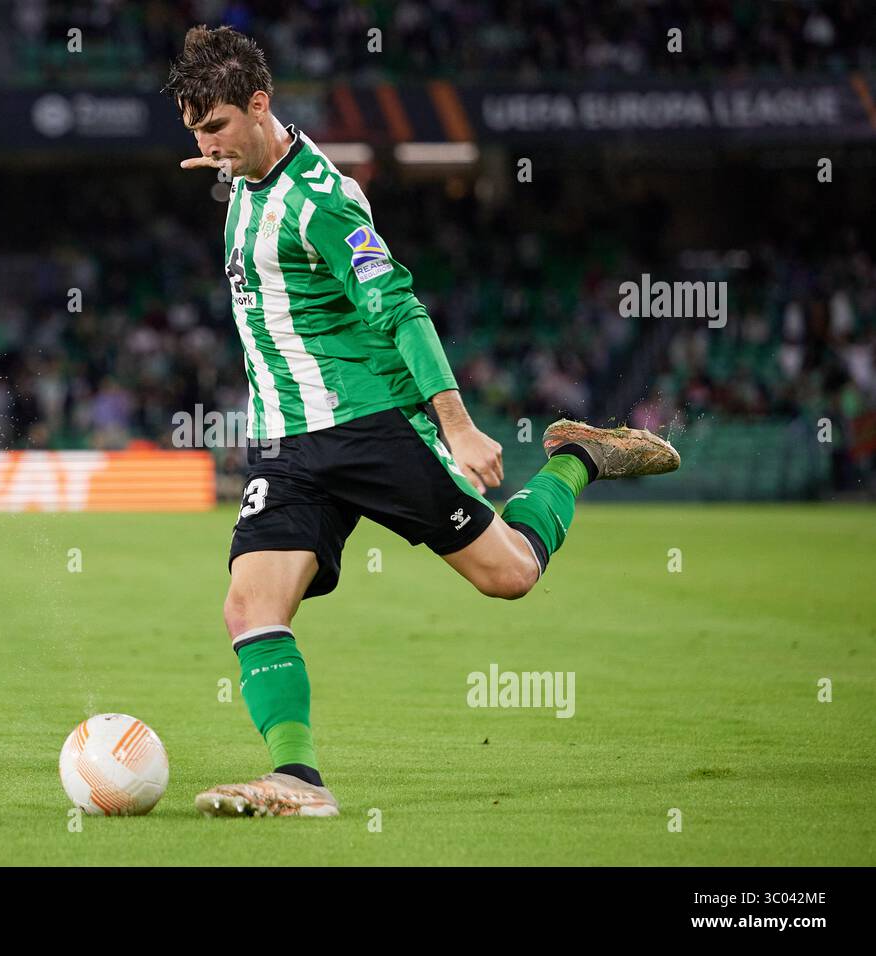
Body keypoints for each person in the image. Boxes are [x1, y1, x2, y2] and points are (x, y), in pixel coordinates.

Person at [164, 25, 680, 818]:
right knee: (249, 606)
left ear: (260, 105)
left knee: (509, 576)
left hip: (372, 426)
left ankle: (580, 458)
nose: (205, 144)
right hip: (285, 444)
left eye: (217, 126)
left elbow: (400, 309)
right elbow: (247, 174)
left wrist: (461, 427)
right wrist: (230, 154)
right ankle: (297, 781)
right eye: (195, 132)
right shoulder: (243, 178)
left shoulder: (322, 202)